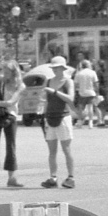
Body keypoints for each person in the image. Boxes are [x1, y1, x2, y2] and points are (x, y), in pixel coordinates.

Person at [40, 56, 76, 188]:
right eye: (53, 68)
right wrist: (43, 114)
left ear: (62, 68)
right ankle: (53, 177)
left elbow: (71, 99)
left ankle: (71, 177)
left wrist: (55, 92)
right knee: (52, 150)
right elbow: (45, 100)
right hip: (50, 117)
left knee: (66, 149)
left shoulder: (67, 82)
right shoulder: (49, 81)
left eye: (57, 68)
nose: (55, 70)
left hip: (63, 116)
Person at [72, 59, 101, 128]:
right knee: (90, 107)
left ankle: (79, 122)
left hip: (82, 92)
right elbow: (96, 83)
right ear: (88, 65)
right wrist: (97, 92)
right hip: (91, 92)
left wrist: (75, 91)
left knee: (81, 108)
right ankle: (90, 122)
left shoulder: (79, 73)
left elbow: (75, 84)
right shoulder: (93, 72)